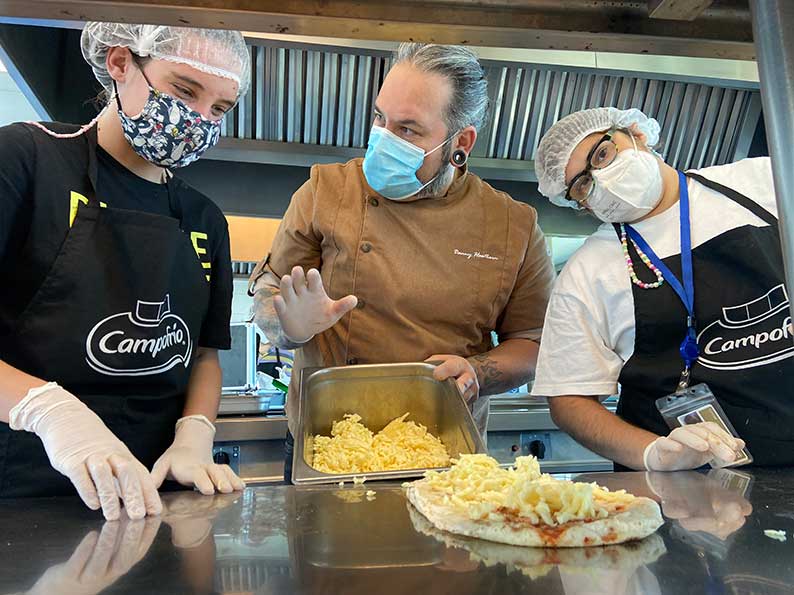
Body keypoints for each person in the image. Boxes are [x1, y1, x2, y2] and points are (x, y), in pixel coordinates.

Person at [248, 43, 555, 481]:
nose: (384, 139)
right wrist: (289, 327)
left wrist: (477, 373)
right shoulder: (325, 191)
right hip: (326, 449)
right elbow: (269, 289)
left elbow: (534, 342)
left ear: (460, 143)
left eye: (408, 130)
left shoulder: (513, 226)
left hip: (444, 456)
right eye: (380, 119)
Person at [0, 23, 250, 520]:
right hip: (23, 489)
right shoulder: (26, 160)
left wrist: (195, 433)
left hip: (158, 493)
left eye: (219, 108)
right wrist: (51, 413)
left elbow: (203, 355)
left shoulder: (203, 219)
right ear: (119, 64)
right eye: (185, 90)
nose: (199, 118)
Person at [530, 106, 793, 470]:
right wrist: (653, 454)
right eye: (583, 185)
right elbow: (569, 401)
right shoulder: (588, 272)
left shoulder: (763, 181)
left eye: (602, 154)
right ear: (583, 206)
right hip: (689, 491)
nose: (601, 179)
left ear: (637, 134)